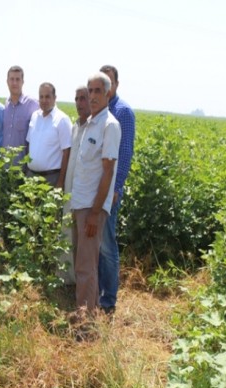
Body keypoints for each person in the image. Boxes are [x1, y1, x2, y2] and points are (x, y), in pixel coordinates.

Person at [70, 72, 121, 315]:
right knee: (81, 262)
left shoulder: (109, 125)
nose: (92, 96)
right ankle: (85, 311)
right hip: (79, 204)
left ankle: (85, 323)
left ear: (108, 94)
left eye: (97, 91)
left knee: (86, 266)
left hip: (91, 209)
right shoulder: (91, 123)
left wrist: (94, 212)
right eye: (89, 91)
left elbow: (108, 172)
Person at [97, 65, 136, 315]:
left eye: (109, 83)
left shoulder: (123, 112)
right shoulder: (98, 111)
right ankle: (99, 292)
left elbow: (124, 154)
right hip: (95, 187)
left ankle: (109, 301)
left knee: (108, 244)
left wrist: (116, 188)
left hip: (110, 190)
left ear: (116, 85)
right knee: (97, 243)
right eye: (102, 85)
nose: (106, 88)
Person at [60, 85, 91, 285]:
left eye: (83, 98)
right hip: (69, 190)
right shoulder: (75, 126)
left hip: (84, 196)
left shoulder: (94, 128)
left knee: (83, 241)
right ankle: (68, 278)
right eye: (77, 99)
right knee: (67, 234)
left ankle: (82, 283)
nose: (79, 103)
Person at [25, 82, 72, 187]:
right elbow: (29, 143)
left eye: (47, 97)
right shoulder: (34, 116)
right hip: (31, 177)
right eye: (41, 97)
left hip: (51, 179)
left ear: (55, 98)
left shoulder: (62, 120)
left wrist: (60, 182)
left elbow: (67, 152)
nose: (44, 100)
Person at [2, 66, 39, 164]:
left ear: (23, 82)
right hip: (4, 167)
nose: (14, 83)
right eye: (12, 79)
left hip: (22, 167)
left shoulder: (33, 104)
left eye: (18, 79)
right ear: (7, 82)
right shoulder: (6, 105)